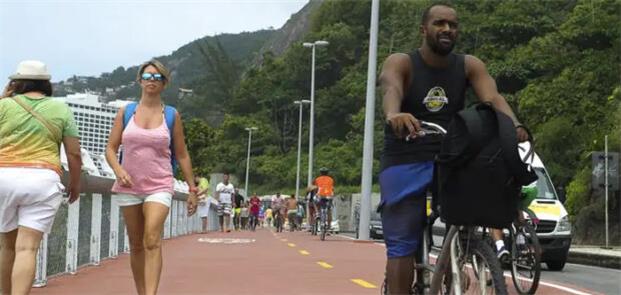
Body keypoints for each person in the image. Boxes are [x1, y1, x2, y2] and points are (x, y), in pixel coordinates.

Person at [378, 4, 528, 293]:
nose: (447, 29)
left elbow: (493, 97)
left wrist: (514, 125)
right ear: (424, 29)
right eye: (439, 23)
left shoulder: (469, 65)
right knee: (402, 243)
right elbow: (391, 88)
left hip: (452, 155)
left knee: (469, 210)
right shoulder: (402, 62)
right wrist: (394, 114)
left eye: (453, 25)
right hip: (406, 156)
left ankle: (455, 265)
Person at [106, 59, 198, 295]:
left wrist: (192, 189)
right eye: (147, 77)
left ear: (164, 83)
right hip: (129, 186)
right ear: (139, 81)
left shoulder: (171, 115)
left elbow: (182, 154)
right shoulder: (126, 112)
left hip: (159, 184)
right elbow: (110, 148)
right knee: (136, 244)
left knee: (151, 238)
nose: (151, 81)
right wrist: (119, 170)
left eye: (157, 78)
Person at [0, 60, 82, 295]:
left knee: (7, 247)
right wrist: (75, 183)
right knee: (27, 249)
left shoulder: (4, 105)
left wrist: (5, 96)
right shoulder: (61, 109)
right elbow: (74, 153)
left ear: (16, 82)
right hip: (42, 179)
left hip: (4, 176)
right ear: (47, 83)